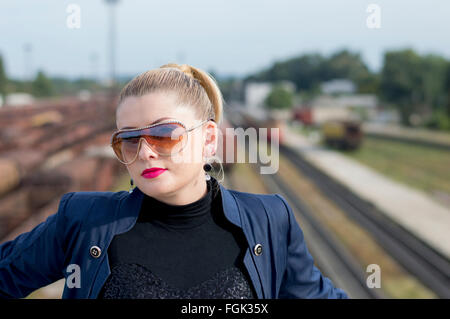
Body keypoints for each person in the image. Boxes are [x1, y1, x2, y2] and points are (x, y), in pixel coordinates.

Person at [0, 63, 347, 299]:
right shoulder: (84, 219)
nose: (145, 152)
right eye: (130, 139)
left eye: (165, 134)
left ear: (209, 139)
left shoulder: (270, 220)